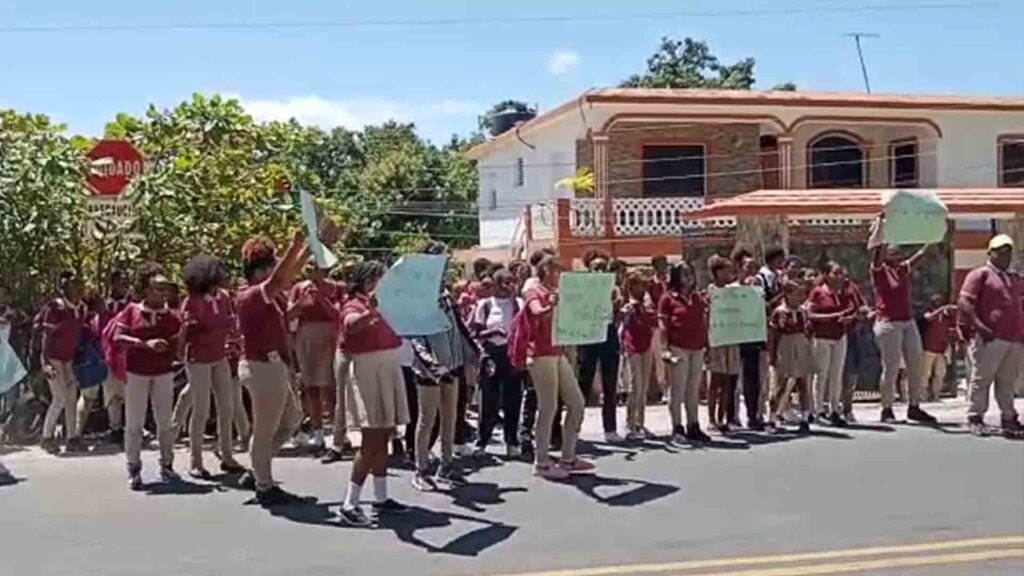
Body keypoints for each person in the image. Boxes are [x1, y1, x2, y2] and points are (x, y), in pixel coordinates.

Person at [235, 233, 308, 506]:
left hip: (274, 366)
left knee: (291, 420)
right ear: (261, 271)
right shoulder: (251, 295)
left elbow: (285, 277)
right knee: (265, 429)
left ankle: (257, 468)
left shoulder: (268, 296)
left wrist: (310, 248)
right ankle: (264, 486)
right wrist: (295, 246)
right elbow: (280, 279)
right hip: (260, 366)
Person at [338, 261, 410, 526]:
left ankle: (381, 499)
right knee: (370, 439)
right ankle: (350, 503)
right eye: (375, 279)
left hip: (388, 368)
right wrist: (372, 312)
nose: (379, 284)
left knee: (384, 435)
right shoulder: (354, 304)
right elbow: (351, 325)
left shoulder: (386, 306)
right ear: (364, 281)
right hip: (368, 371)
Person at [525, 254, 595, 480]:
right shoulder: (534, 291)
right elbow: (535, 311)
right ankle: (542, 462)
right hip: (540, 355)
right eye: (556, 270)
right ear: (546, 270)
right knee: (548, 407)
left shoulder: (561, 293)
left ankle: (568, 457)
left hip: (558, 352)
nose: (560, 275)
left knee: (577, 403)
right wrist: (550, 306)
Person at [114, 263, 183, 489]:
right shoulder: (131, 311)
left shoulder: (173, 317)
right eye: (157, 288)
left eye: (165, 289)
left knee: (165, 422)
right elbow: (118, 337)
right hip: (137, 373)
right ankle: (133, 467)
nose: (163, 293)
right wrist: (145, 344)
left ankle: (167, 464)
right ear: (145, 289)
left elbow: (178, 346)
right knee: (134, 423)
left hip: (163, 374)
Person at [177, 256, 246, 479]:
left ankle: (226, 454)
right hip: (198, 358)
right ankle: (195, 460)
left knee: (226, 406)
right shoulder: (193, 301)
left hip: (219, 356)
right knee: (201, 408)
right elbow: (186, 331)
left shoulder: (224, 297)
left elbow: (230, 322)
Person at [867, 217, 938, 425]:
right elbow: (877, 255)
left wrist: (934, 237)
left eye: (899, 253)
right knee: (891, 368)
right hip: (888, 323)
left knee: (915, 364)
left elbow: (921, 255)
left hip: (907, 322)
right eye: (893, 253)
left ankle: (914, 406)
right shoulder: (879, 271)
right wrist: (881, 231)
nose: (897, 256)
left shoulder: (901, 270)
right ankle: (887, 409)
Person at [958, 234, 1023, 438]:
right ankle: (975, 417)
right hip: (989, 336)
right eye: (1000, 251)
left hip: (1013, 336)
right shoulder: (981, 274)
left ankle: (1008, 418)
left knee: (1007, 381)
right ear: (990, 253)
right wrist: (979, 326)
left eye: (1008, 251)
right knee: (982, 378)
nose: (1005, 255)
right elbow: (964, 303)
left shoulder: (1014, 278)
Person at [472, 269, 525, 458]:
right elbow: (475, 333)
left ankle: (512, 441)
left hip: (512, 355)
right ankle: (482, 442)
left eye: (512, 282)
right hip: (491, 355)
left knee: (513, 400)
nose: (509, 287)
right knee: (489, 401)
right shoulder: (484, 305)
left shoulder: (518, 304)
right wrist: (493, 332)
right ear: (495, 285)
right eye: (505, 283)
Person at [289, 261, 340, 451]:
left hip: (328, 335)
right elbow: (288, 314)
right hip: (306, 336)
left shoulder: (335, 287)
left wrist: (321, 298)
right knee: (311, 386)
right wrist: (300, 303)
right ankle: (318, 432)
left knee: (330, 386)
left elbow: (337, 314)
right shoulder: (299, 288)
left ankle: (337, 431)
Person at [658, 262, 710, 443]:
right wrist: (664, 349)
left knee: (693, 389)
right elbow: (663, 325)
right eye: (684, 274)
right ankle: (677, 427)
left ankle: (693, 425)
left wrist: (707, 344)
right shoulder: (668, 299)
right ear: (676, 277)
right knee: (678, 390)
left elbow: (703, 321)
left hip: (697, 347)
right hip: (678, 347)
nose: (688, 277)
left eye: (690, 273)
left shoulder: (697, 298)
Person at [77, 270, 129, 445]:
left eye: (126, 282)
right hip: (96, 356)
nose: (125, 286)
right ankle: (75, 433)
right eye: (122, 282)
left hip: (118, 357)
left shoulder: (130, 305)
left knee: (115, 395)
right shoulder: (100, 305)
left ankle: (115, 429)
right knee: (88, 395)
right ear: (113, 284)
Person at [577, 249, 623, 443]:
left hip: (608, 335)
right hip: (588, 336)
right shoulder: (582, 288)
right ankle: (575, 427)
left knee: (610, 383)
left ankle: (610, 428)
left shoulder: (614, 289)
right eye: (596, 267)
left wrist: (617, 306)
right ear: (589, 269)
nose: (600, 271)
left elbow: (617, 315)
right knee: (584, 383)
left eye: (604, 268)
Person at [40, 271, 88, 455]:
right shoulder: (56, 307)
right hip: (53, 358)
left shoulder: (81, 308)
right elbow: (46, 336)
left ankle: (72, 437)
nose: (77, 290)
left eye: (79, 286)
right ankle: (47, 436)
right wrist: (46, 363)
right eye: (73, 287)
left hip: (69, 359)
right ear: (65, 289)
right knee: (59, 398)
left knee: (71, 399)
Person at [807, 262, 855, 427]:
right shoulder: (818, 292)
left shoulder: (843, 293)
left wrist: (848, 317)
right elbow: (810, 314)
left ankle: (835, 409)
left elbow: (851, 309)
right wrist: (832, 316)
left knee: (836, 374)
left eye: (841, 273)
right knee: (821, 374)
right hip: (822, 337)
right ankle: (818, 410)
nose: (840, 277)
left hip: (840, 336)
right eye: (836, 273)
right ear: (826, 275)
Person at [769, 281, 813, 434]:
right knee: (781, 384)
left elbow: (808, 330)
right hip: (785, 345)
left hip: (800, 344)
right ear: (787, 294)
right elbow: (773, 334)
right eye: (796, 294)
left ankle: (805, 417)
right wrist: (772, 354)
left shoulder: (803, 311)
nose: (800, 297)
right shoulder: (780, 312)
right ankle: (772, 417)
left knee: (802, 383)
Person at [733, 248, 768, 430]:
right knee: (733, 381)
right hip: (734, 340)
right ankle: (732, 417)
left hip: (753, 339)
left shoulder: (759, 288)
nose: (751, 269)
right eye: (748, 266)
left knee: (753, 380)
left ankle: (753, 415)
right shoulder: (730, 290)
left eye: (754, 266)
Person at [706, 255, 741, 433]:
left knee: (728, 380)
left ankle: (722, 418)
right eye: (727, 270)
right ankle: (711, 418)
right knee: (715, 381)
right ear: (718, 273)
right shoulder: (711, 292)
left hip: (731, 338)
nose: (731, 273)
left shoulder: (733, 292)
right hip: (717, 340)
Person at [621, 271, 657, 440]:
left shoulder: (647, 302)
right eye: (638, 284)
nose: (642, 288)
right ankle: (630, 423)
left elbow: (653, 322)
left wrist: (647, 309)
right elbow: (625, 323)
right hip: (632, 347)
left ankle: (640, 422)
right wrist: (629, 310)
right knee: (635, 386)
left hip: (646, 345)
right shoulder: (627, 304)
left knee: (643, 387)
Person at [921, 294, 957, 402]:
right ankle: (923, 396)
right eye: (936, 301)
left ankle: (936, 395)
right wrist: (941, 309)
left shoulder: (946, 317)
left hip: (941, 350)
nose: (938, 302)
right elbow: (928, 318)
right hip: (928, 349)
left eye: (940, 301)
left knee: (939, 374)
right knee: (925, 374)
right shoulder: (929, 313)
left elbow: (952, 328)